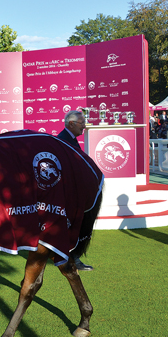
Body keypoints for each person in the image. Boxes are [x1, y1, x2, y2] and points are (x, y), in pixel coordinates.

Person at [56, 110, 94, 272]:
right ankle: (72, 258)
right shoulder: (64, 140)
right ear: (71, 124)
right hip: (68, 194)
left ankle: (70, 257)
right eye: (81, 123)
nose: (84, 126)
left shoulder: (68, 139)